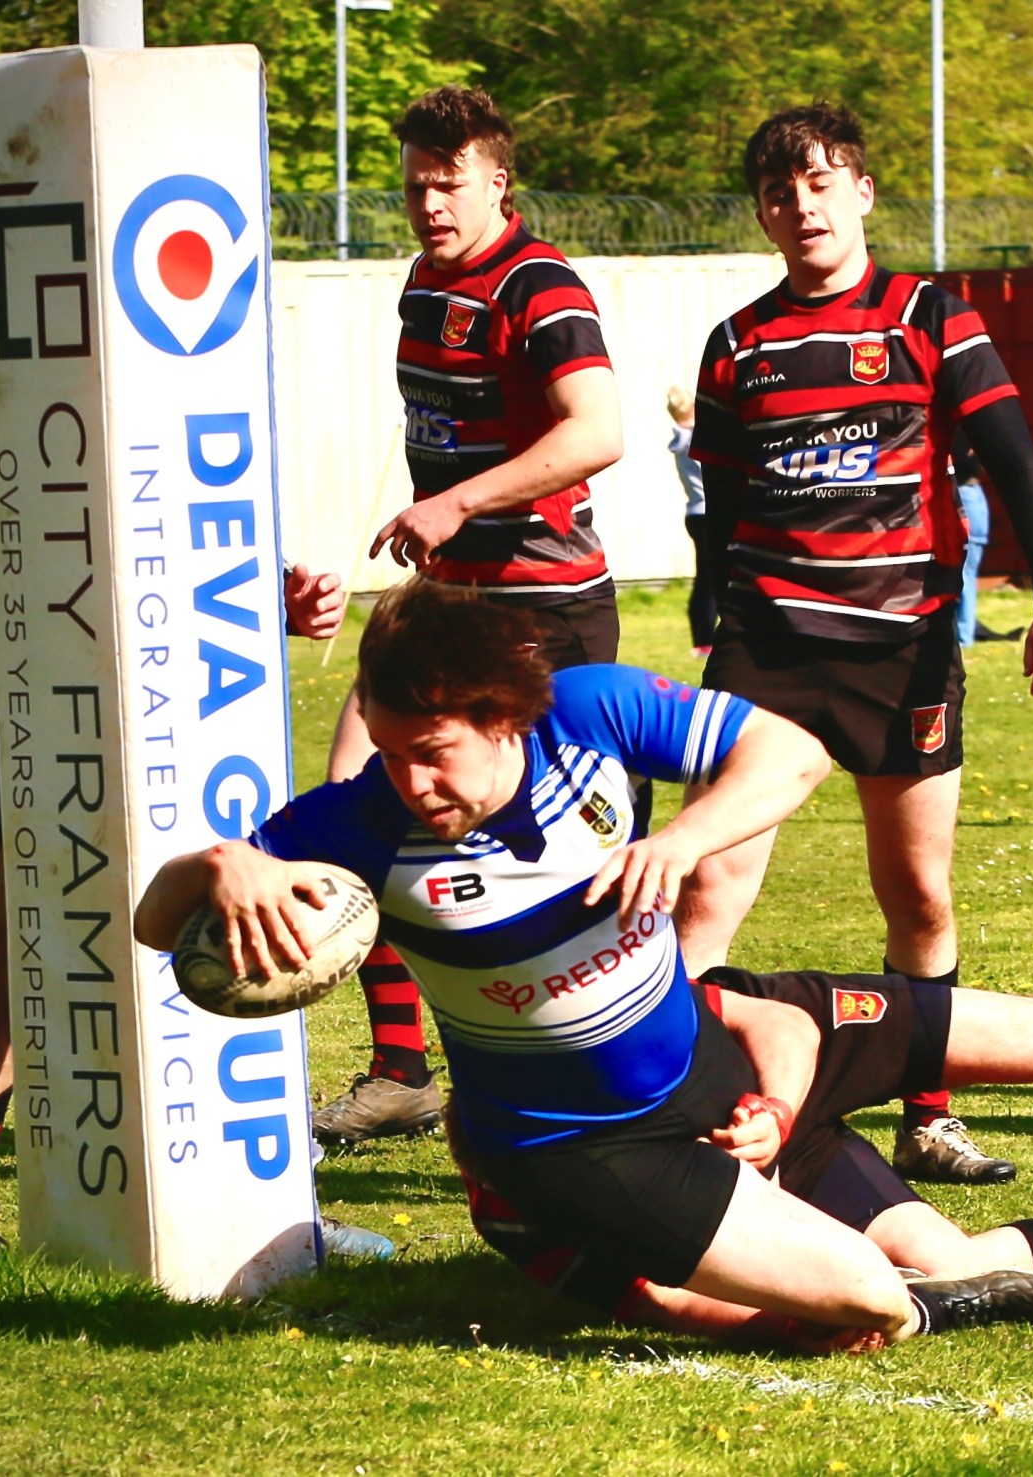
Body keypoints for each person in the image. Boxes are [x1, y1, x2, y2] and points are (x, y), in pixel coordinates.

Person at [135, 578, 1033, 1343]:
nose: (408, 780)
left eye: (432, 752)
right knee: (865, 1295)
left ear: (502, 718)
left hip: (700, 1080)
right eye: (387, 750)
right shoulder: (358, 821)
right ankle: (908, 1299)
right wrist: (221, 863)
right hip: (565, 1146)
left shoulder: (588, 710)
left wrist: (681, 840)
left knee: (964, 1213)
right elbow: (153, 922)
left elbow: (792, 755)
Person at [678, 103, 1033, 1186]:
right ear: (763, 214)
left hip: (899, 652)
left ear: (861, 192)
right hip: (766, 654)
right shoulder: (736, 344)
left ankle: (928, 1118)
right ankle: (664, 1112)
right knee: (706, 888)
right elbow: (720, 501)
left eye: (820, 183)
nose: (801, 206)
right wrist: (712, 603)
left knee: (915, 894)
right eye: (780, 192)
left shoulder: (928, 317)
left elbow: (1016, 462)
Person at [0, 336, 347, 1252]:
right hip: (23, 662)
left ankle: (246, 1197)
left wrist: (276, 595)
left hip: (174, 672)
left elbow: (186, 521)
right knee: (22, 954)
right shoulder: (31, 329)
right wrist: (88, 475)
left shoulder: (205, 351)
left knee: (218, 920)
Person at [313, 84, 628, 1150]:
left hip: (544, 604)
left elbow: (596, 432)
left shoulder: (541, 285)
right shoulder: (422, 281)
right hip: (449, 601)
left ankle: (604, 1077)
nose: (429, 205)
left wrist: (457, 503)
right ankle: (401, 1070)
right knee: (359, 799)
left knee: (562, 856)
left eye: (447, 184)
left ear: (498, 180)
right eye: (414, 186)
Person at [452, 964, 1033, 1350]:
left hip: (792, 1060)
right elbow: (673, 1304)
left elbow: (777, 1022)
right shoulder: (524, 1215)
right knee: (954, 1267)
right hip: (762, 1177)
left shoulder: (583, 1045)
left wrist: (775, 1109)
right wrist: (802, 1320)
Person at [666, 386, 717, 657]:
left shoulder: (680, 440)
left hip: (695, 512)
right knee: (713, 580)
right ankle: (706, 640)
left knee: (704, 580)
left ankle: (702, 639)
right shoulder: (696, 440)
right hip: (710, 512)